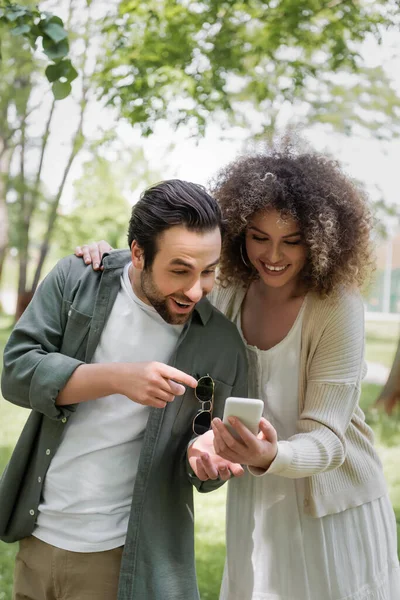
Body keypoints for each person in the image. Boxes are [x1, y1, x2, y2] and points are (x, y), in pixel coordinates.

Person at [79, 149, 400, 600]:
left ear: (320, 238)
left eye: (292, 241)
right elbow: (164, 264)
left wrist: (270, 456)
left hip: (332, 506)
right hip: (255, 495)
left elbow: (330, 439)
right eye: (258, 237)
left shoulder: (337, 305)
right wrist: (107, 257)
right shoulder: (228, 289)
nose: (272, 255)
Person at [0, 179, 248, 600]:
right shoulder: (78, 280)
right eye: (180, 269)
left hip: (123, 557)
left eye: (208, 271)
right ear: (137, 253)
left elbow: (208, 459)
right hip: (37, 536)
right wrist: (119, 378)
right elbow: (15, 372)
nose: (194, 290)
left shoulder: (222, 344)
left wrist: (205, 458)